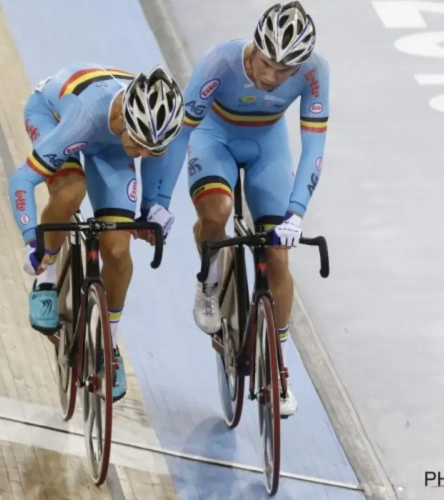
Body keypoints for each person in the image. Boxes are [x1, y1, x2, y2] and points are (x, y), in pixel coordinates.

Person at [145, 1, 329, 416]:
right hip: (215, 139)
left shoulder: (316, 71)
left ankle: (278, 366)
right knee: (218, 212)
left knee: (278, 254)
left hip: (269, 148)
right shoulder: (221, 61)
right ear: (254, 48)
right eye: (266, 63)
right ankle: (210, 280)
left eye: (284, 72)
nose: (271, 76)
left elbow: (314, 143)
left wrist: (296, 213)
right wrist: (157, 203)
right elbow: (180, 134)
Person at [7, 64, 184, 401]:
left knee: (117, 251)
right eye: (141, 144)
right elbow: (21, 181)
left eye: (152, 148)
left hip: (112, 143)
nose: (145, 154)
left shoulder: (151, 129)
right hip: (56, 117)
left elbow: (154, 157)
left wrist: (152, 207)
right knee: (71, 192)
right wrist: (32, 239)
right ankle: (46, 280)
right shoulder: (85, 116)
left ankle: (108, 343)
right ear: (125, 117)